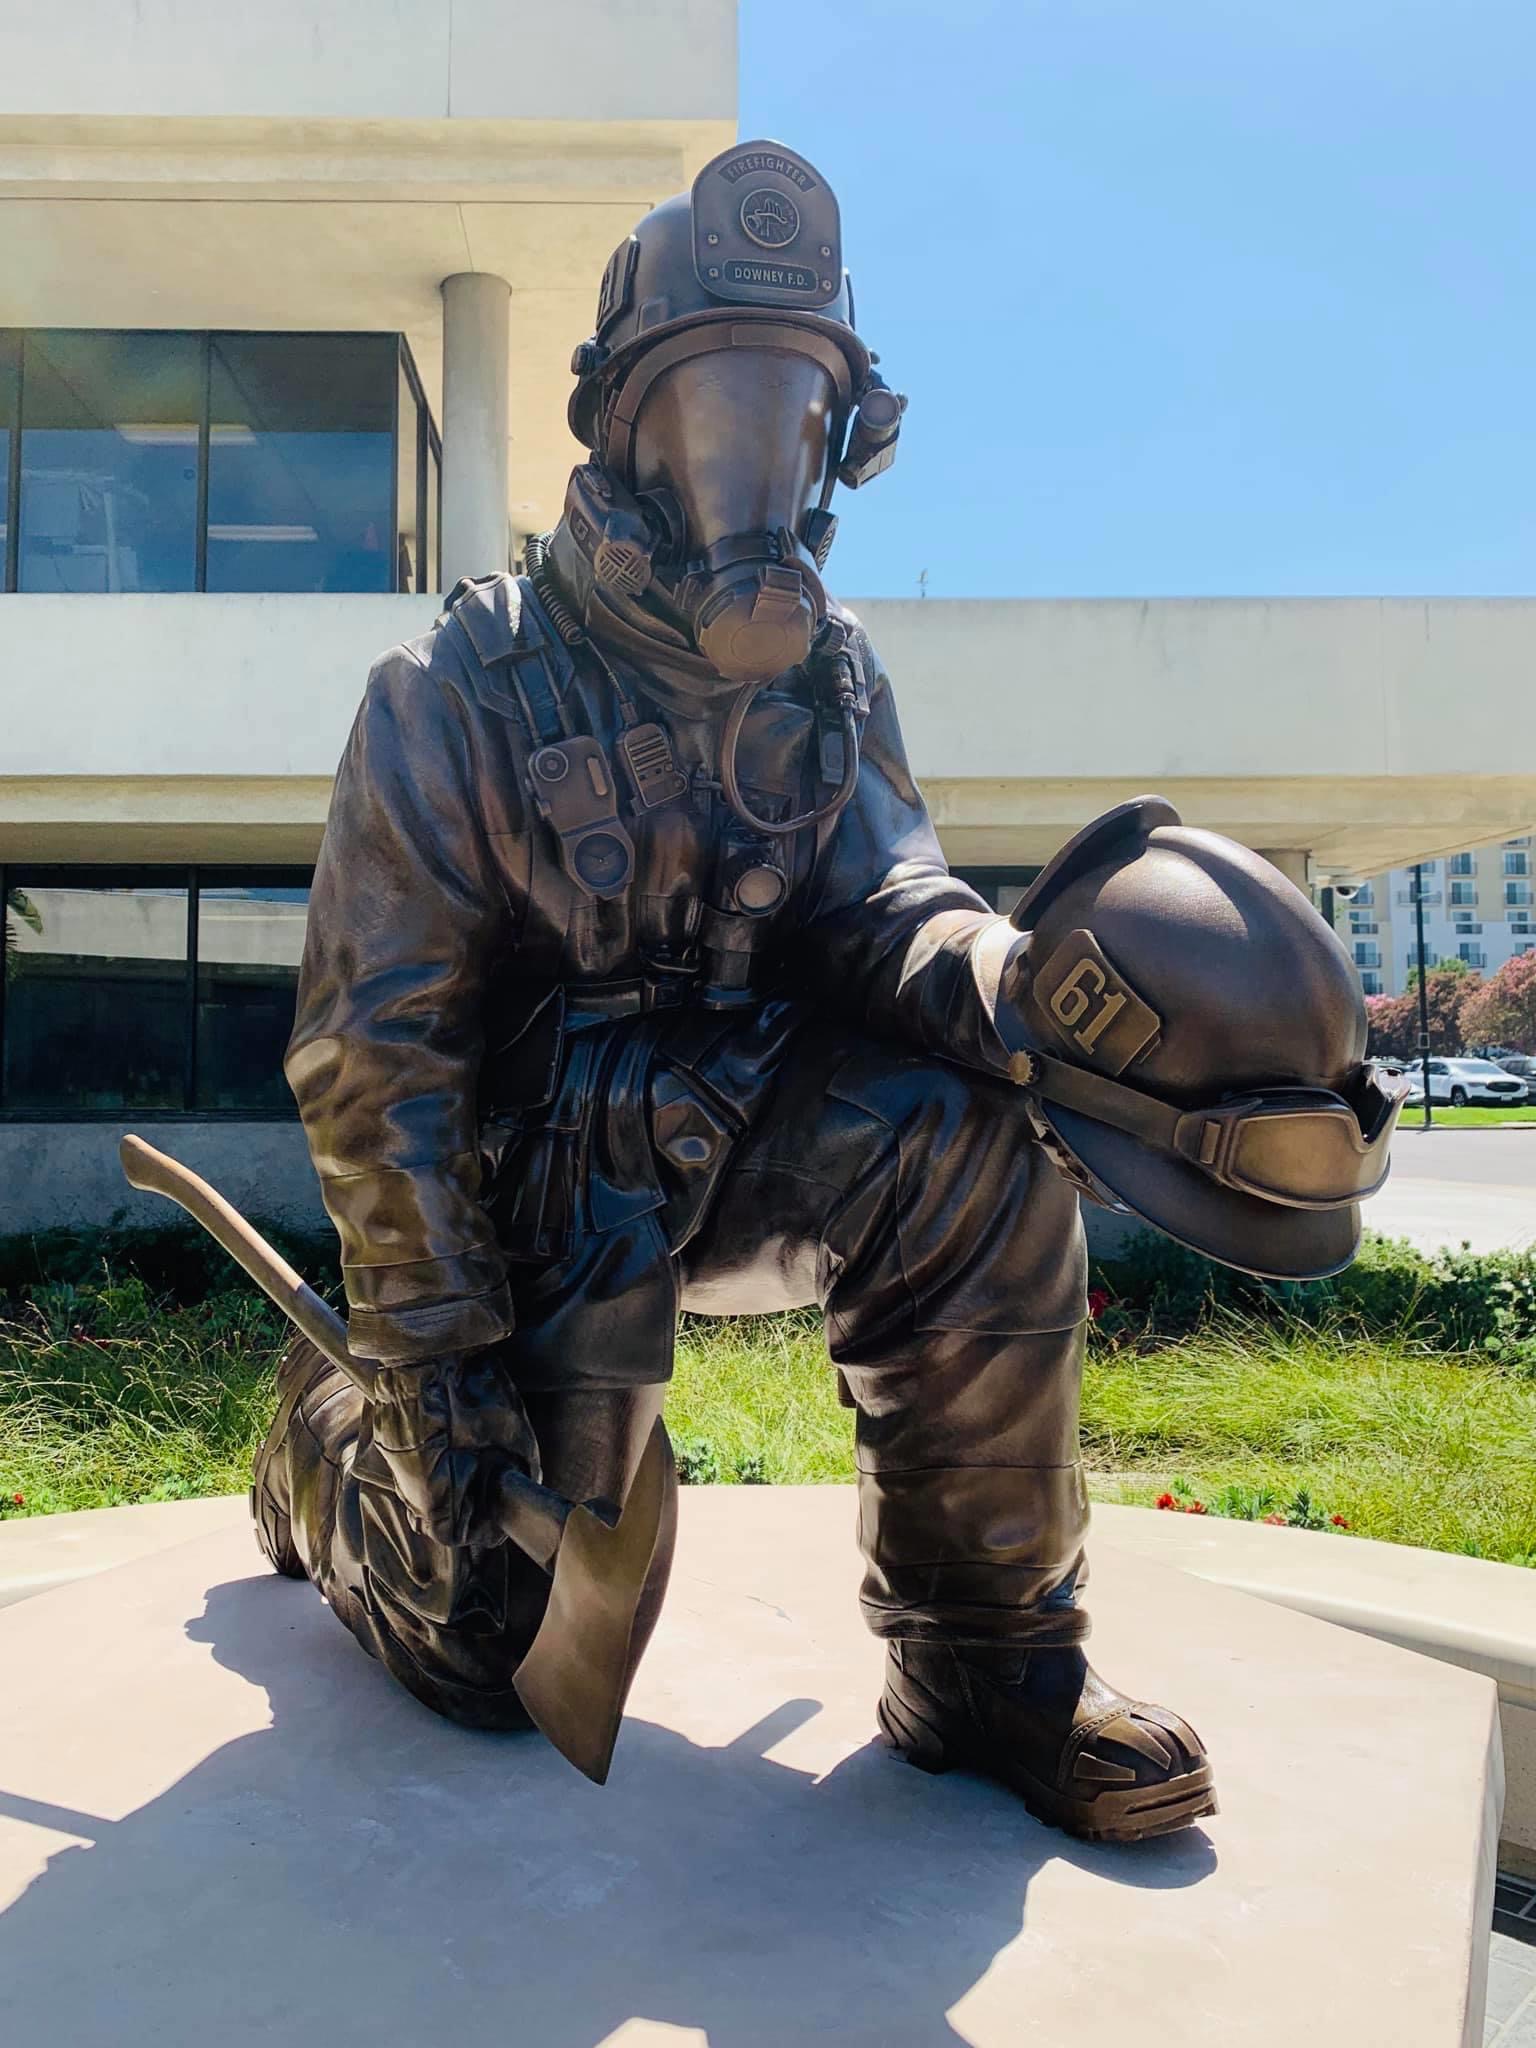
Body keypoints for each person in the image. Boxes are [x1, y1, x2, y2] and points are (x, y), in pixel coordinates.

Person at [253, 140, 1400, 1842]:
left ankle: (987, 1658)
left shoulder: (839, 676)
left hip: (750, 1137)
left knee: (973, 1149)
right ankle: (315, 1446)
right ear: (617, 425)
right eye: (706, 405)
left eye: (792, 414)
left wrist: (1010, 995)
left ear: (845, 439)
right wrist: (433, 1354)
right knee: (497, 1658)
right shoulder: (452, 691)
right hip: (537, 1196)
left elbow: (888, 906)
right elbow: (379, 1055)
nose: (751, 466)